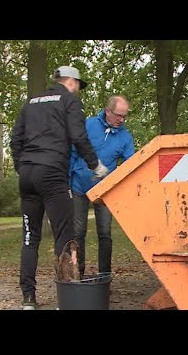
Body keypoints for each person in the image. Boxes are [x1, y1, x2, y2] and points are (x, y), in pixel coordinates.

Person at [10, 65, 108, 310]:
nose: (77, 90)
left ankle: (28, 298)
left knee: (30, 238)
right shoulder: (69, 101)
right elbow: (78, 135)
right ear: (71, 82)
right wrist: (95, 165)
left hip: (28, 175)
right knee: (65, 236)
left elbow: (15, 139)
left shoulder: (31, 102)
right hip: (52, 173)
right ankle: (68, 299)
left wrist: (21, 167)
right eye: (77, 85)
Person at [69, 95, 135, 278]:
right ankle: (78, 273)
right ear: (107, 111)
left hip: (106, 191)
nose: (121, 120)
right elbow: (73, 151)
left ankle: (104, 275)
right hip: (78, 187)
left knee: (105, 233)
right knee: (78, 231)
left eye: (124, 116)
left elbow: (130, 165)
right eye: (118, 115)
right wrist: (67, 180)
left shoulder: (125, 137)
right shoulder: (88, 125)